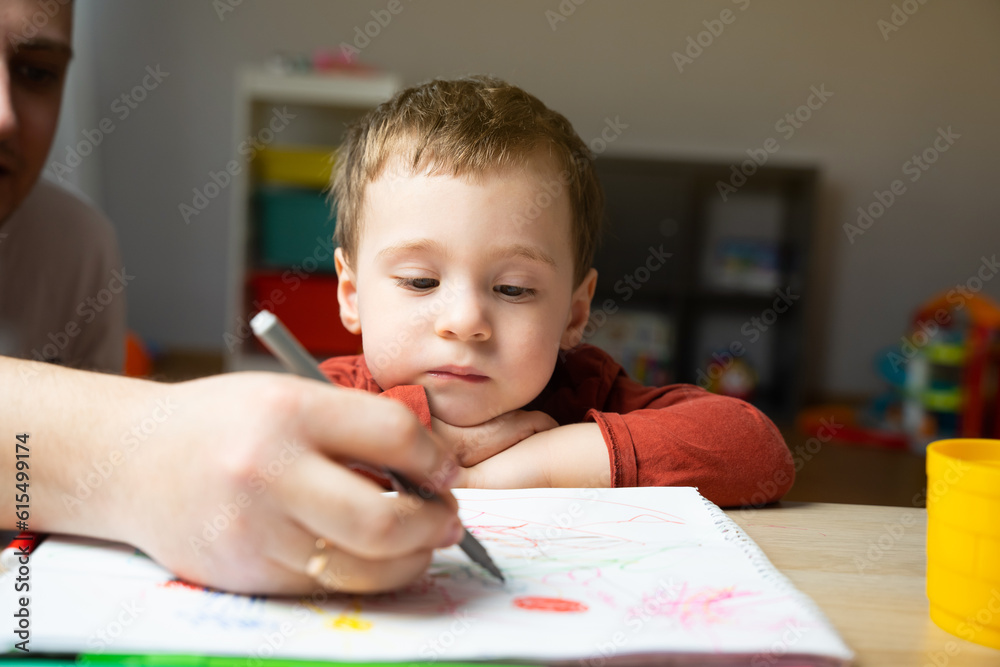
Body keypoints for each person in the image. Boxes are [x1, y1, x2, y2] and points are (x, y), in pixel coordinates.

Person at [0, 0, 463, 596]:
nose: (7, 117)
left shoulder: (76, 246)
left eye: (37, 71)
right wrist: (148, 456)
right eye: (421, 280)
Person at [321, 76, 795, 507]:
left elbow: (754, 449)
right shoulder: (327, 397)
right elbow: (259, 455)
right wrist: (424, 436)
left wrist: (527, 467)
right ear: (351, 294)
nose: (465, 320)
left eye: (513, 288)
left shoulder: (585, 390)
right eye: (420, 282)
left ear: (573, 314)